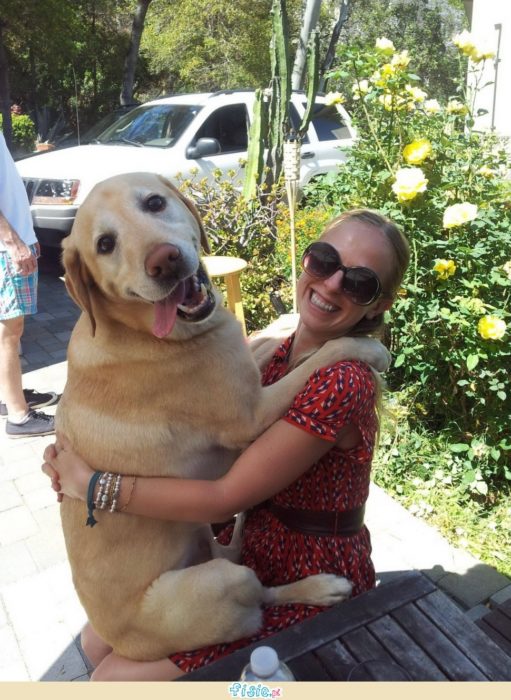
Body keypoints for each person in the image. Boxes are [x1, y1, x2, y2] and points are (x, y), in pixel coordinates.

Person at [42, 209, 410, 681]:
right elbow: (175, 423)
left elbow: (226, 496)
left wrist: (94, 486)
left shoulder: (343, 379)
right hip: (243, 547)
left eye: (358, 283)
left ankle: (264, 695)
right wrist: (73, 449)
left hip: (306, 568)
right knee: (100, 638)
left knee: (111, 681)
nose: (333, 284)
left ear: (379, 304)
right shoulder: (280, 344)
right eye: (324, 261)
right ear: (306, 261)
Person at [0, 131, 58, 437]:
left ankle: (8, 397)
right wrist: (12, 242)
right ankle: (19, 416)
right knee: (10, 329)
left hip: (10, 240)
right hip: (5, 246)